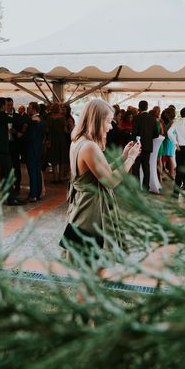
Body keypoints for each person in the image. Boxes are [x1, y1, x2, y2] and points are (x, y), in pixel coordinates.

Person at [60, 99, 141, 264]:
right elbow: (110, 181)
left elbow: (98, 172)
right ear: (96, 120)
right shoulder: (89, 146)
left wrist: (123, 157)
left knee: (91, 265)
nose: (111, 126)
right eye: (108, 121)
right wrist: (131, 159)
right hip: (91, 212)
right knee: (94, 265)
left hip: (83, 207)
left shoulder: (78, 141)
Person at [132, 100, 159, 191]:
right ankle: (146, 187)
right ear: (147, 107)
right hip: (148, 146)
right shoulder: (152, 118)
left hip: (138, 146)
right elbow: (156, 134)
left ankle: (136, 188)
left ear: (139, 107)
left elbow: (134, 133)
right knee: (146, 167)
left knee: (136, 167)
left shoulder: (136, 118)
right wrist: (148, 137)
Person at [24, 102, 46, 202]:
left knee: (32, 171)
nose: (28, 109)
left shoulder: (33, 120)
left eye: (29, 108)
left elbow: (31, 137)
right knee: (37, 171)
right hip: (39, 148)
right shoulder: (41, 119)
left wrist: (23, 136)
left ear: (34, 109)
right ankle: (38, 193)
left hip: (32, 148)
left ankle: (33, 194)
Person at [46, 103, 69, 184]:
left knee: (54, 160)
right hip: (61, 140)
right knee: (61, 159)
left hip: (53, 140)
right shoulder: (63, 118)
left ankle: (55, 178)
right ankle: (60, 178)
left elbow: (47, 131)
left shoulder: (49, 119)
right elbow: (65, 130)